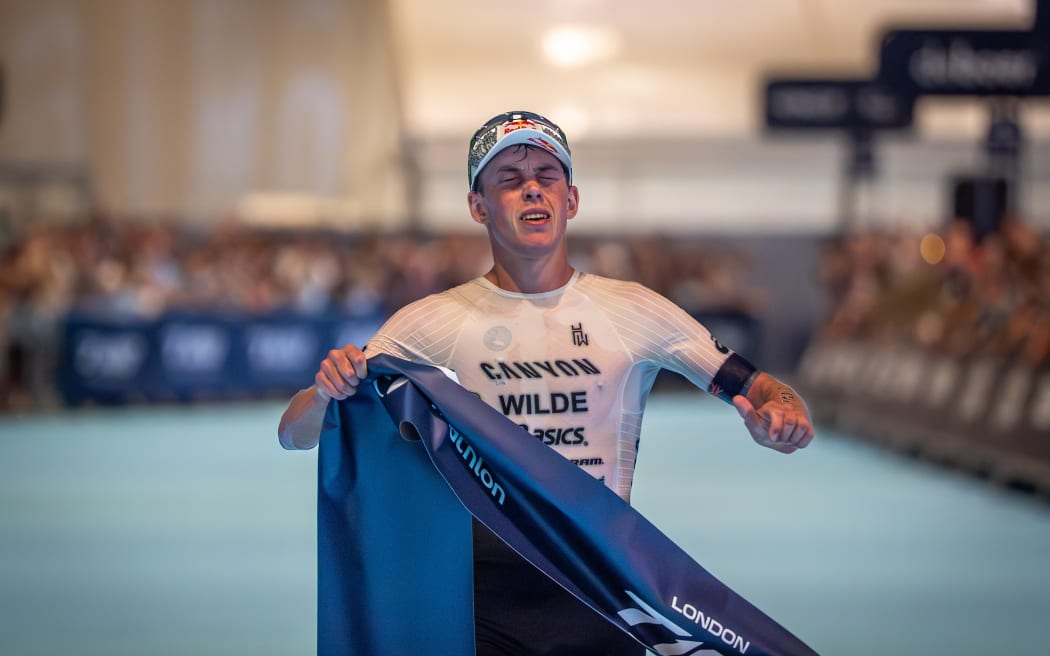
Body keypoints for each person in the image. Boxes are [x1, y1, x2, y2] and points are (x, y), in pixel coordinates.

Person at [279, 110, 815, 656]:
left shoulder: (634, 310)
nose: (532, 189)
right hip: (480, 598)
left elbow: (760, 386)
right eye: (510, 179)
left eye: (546, 176)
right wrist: (325, 391)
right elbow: (293, 433)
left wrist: (783, 411)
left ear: (571, 200)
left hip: (603, 589)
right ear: (478, 206)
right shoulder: (432, 322)